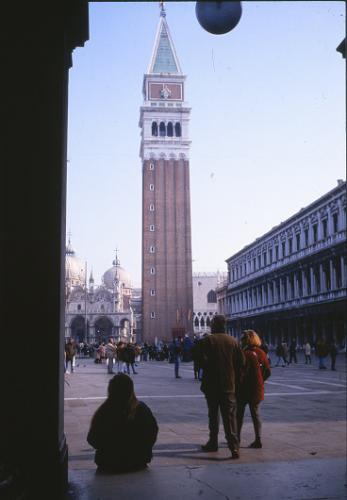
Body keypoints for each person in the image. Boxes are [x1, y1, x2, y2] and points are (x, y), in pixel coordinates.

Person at [87, 373, 158, 473]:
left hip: (109, 463)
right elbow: (152, 433)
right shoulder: (142, 409)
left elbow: (92, 439)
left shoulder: (104, 411)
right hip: (138, 462)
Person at [198, 315, 244, 459]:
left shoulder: (207, 340)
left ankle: (213, 442)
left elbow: (200, 361)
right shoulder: (233, 341)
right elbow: (241, 363)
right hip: (228, 385)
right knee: (230, 417)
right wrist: (235, 379)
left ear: (214, 325)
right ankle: (234, 447)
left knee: (213, 415)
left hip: (211, 385)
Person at [237, 330, 271, 449]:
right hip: (257, 389)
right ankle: (258, 439)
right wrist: (260, 380)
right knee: (256, 414)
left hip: (244, 389)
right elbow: (268, 371)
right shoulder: (262, 353)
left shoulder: (244, 353)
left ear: (247, 340)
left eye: (242, 339)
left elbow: (240, 372)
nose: (241, 341)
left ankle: (237, 438)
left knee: (239, 414)